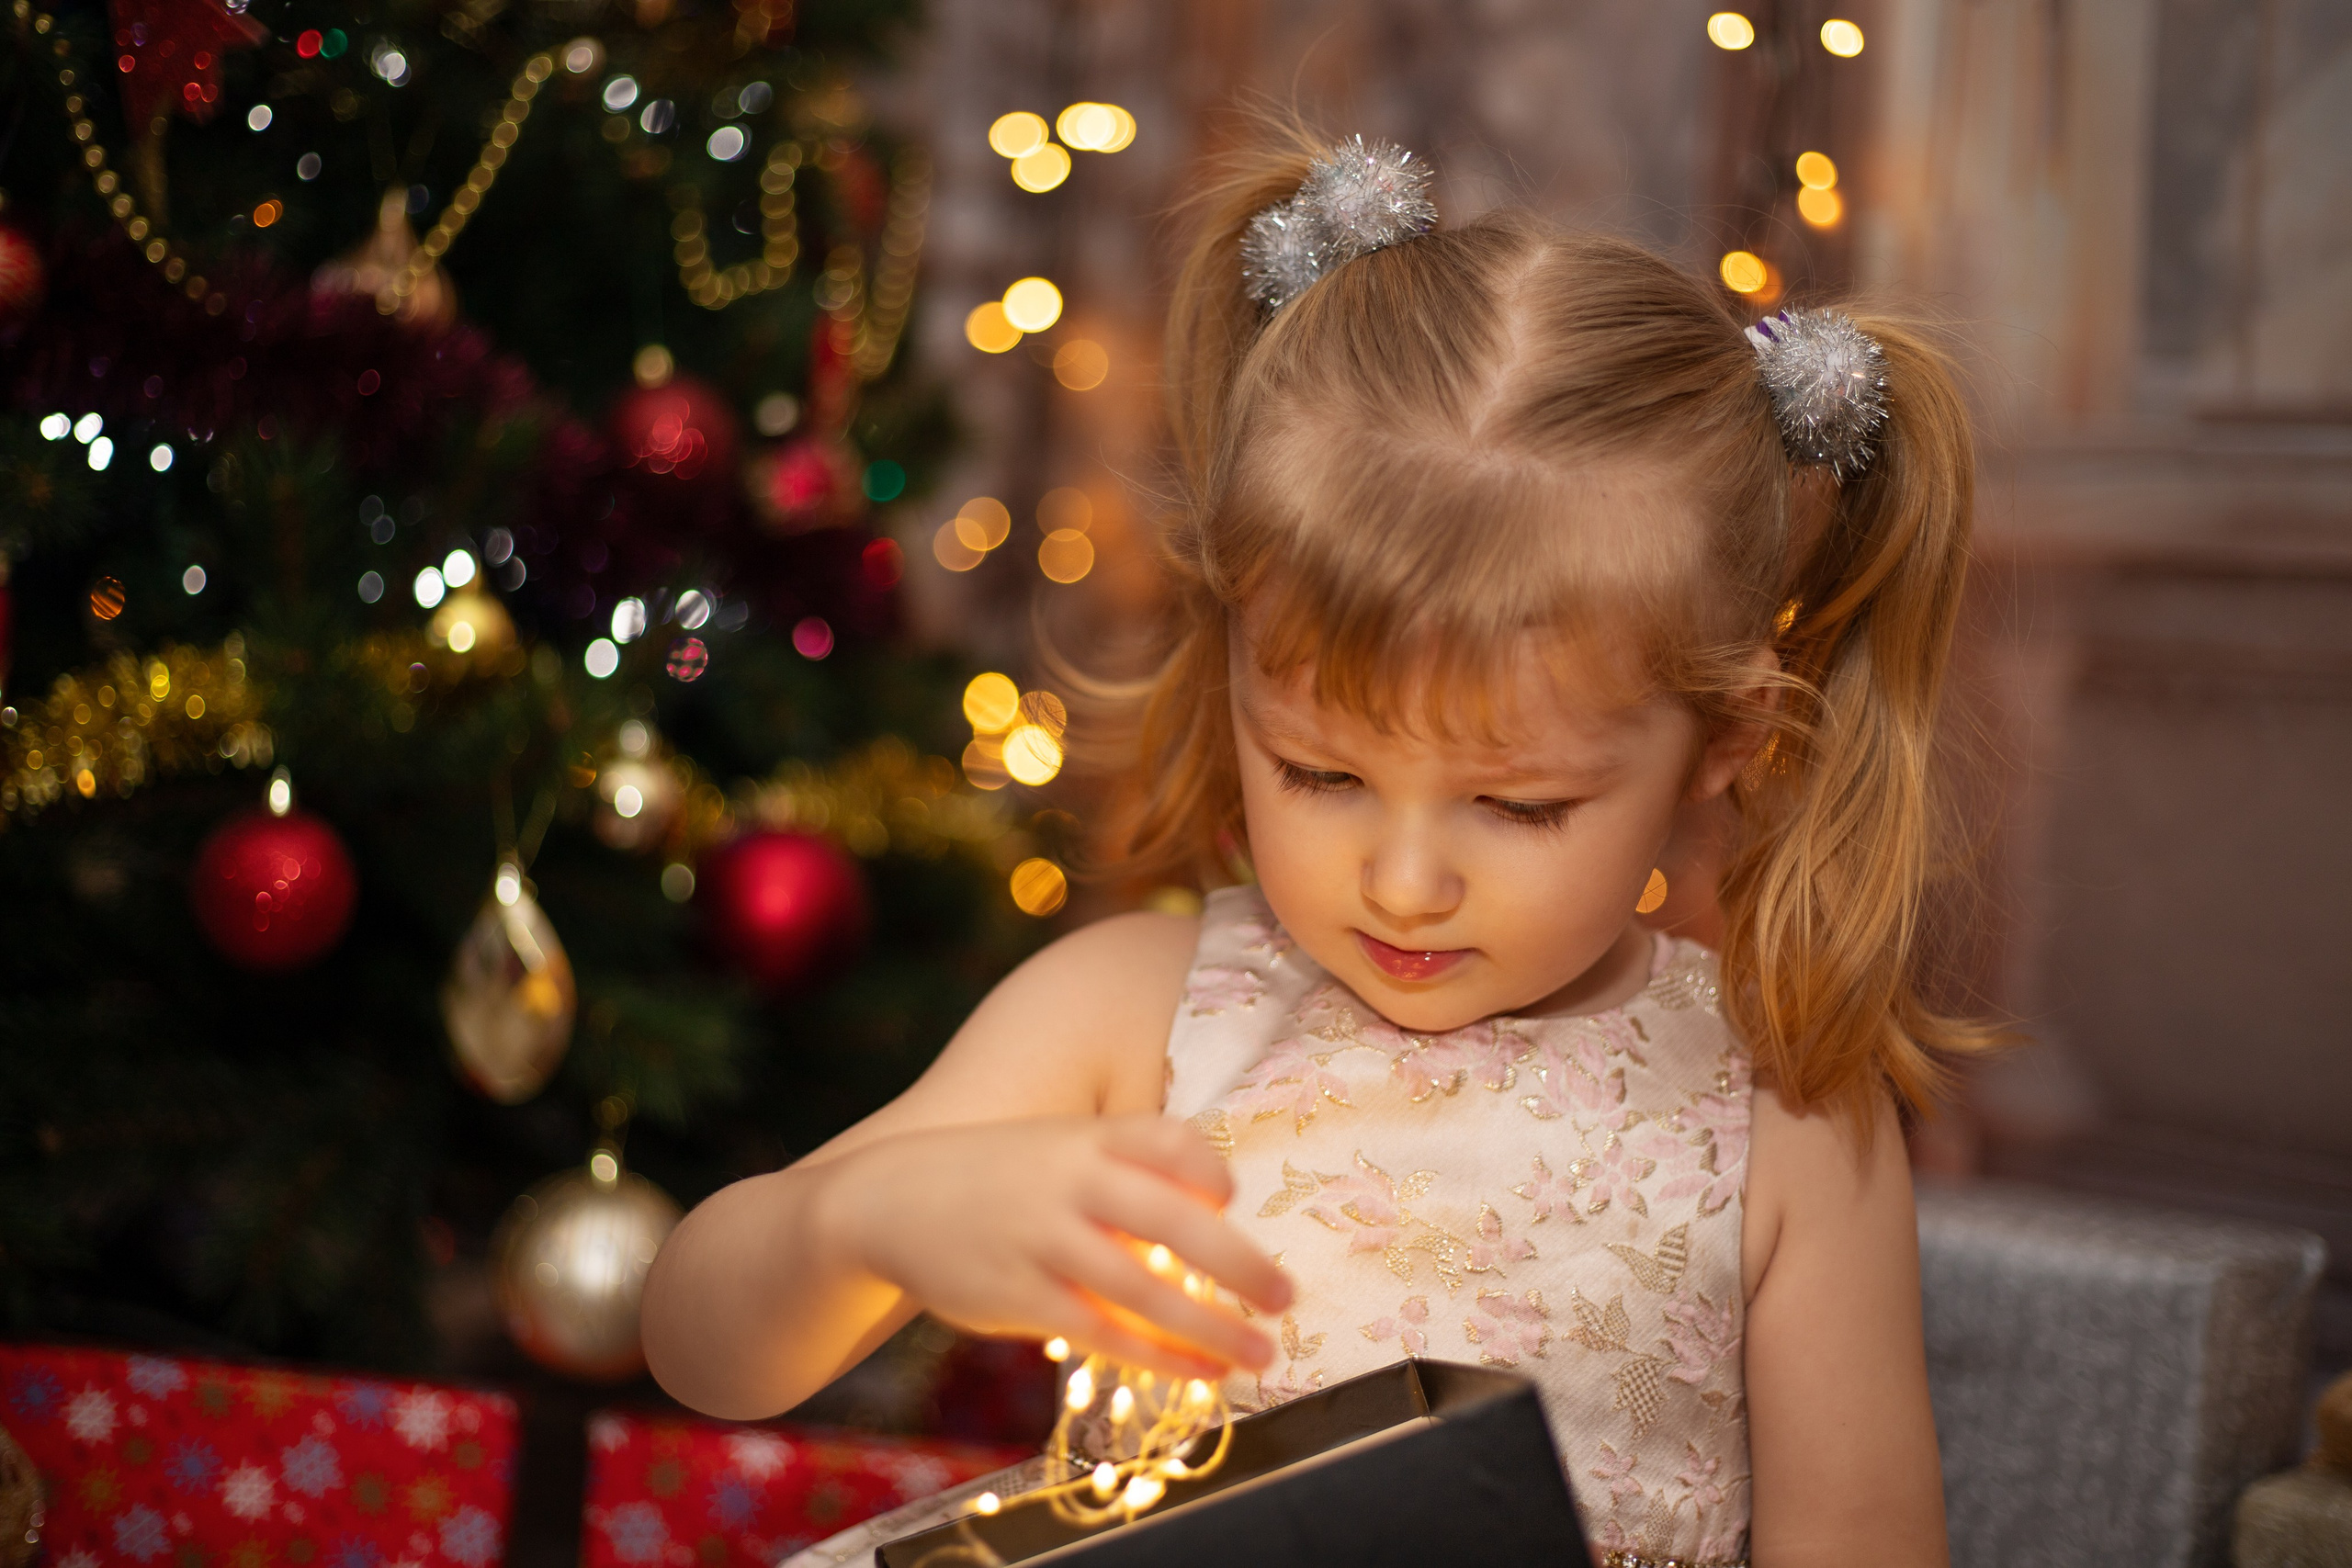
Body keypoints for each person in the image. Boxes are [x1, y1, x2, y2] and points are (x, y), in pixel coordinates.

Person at [642, 130, 1987, 1568]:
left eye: (1519, 806)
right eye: (1322, 773)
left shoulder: (1784, 1111)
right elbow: (699, 1345)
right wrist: (863, 1225)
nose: (1404, 883)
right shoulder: (1127, 1011)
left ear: (1725, 739)